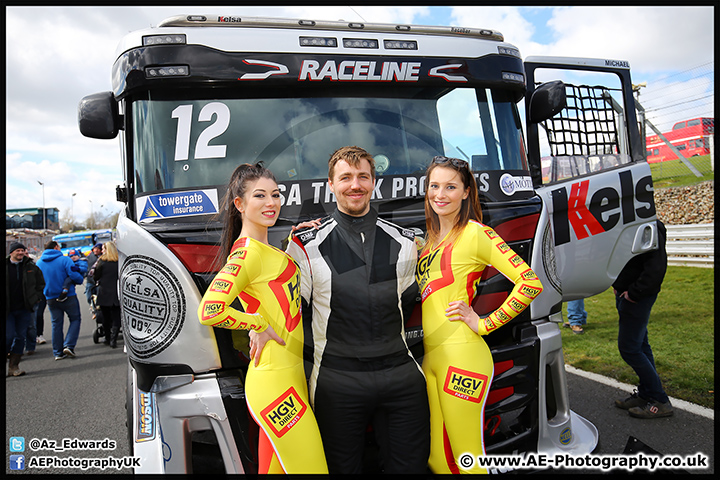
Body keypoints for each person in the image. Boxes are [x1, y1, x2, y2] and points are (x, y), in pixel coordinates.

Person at [286, 146, 430, 474]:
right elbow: (287, 310)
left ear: (373, 182)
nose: (355, 185)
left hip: (401, 378)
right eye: (346, 177)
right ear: (331, 184)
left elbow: (419, 301)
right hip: (337, 382)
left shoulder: (407, 242)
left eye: (363, 176)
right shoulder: (305, 247)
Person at [416, 156, 543, 474]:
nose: (440, 194)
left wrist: (483, 323)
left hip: (463, 358)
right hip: (431, 359)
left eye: (450, 187)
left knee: (467, 458)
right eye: (434, 186)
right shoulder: (429, 242)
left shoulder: (476, 234)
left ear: (465, 192)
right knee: (438, 459)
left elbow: (529, 283)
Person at [198, 163, 327, 474]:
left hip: (291, 376)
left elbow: (274, 283)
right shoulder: (247, 254)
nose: (271, 203)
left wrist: (295, 241)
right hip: (274, 384)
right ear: (240, 204)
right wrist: (257, 323)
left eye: (275, 194)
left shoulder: (266, 250)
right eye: (260, 196)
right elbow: (209, 310)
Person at [613, 219, 672, 419]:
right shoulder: (629, 222)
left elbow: (656, 268)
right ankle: (647, 393)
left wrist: (635, 293)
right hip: (625, 293)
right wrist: (617, 282)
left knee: (629, 349)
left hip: (636, 296)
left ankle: (660, 400)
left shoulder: (650, 225)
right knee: (641, 345)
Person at [36, 240, 85, 360]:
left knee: (56, 324)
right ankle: (69, 345)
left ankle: (57, 353)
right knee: (75, 319)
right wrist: (80, 279)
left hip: (50, 297)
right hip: (68, 295)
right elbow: (74, 275)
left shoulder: (39, 263)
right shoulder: (64, 260)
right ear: (57, 247)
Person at [6, 242, 45, 376]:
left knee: (20, 337)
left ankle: (14, 366)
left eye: (23, 250)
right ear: (11, 252)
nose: (21, 253)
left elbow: (41, 283)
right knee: (8, 336)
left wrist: (36, 298)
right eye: (18, 250)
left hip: (25, 308)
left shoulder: (31, 267)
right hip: (8, 310)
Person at [93, 241, 121, 348]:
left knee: (106, 318)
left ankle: (108, 338)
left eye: (103, 249)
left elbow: (95, 277)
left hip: (104, 293)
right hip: (116, 293)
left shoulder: (101, 262)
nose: (102, 251)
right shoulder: (118, 262)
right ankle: (113, 340)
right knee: (116, 317)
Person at [85, 243, 102, 309]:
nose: (96, 250)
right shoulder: (89, 257)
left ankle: (97, 311)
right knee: (89, 296)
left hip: (99, 281)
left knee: (98, 297)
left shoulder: (103, 257)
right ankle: (93, 309)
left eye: (98, 249)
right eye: (95, 249)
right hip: (90, 281)